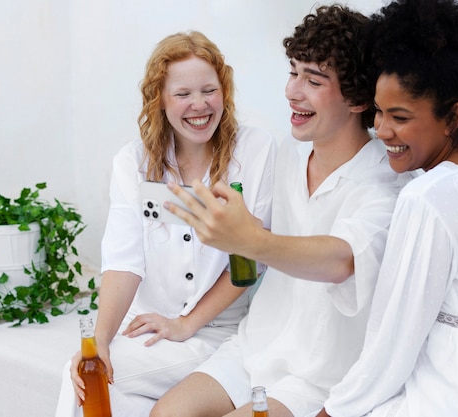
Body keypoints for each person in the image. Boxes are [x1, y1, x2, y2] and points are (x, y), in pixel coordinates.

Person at [151, 5, 411, 417]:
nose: (293, 91)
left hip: (320, 375)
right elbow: (264, 240)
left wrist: (252, 239)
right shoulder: (289, 153)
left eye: (314, 79)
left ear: (359, 98)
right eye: (293, 72)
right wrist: (234, 226)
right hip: (255, 345)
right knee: (165, 414)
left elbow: (343, 259)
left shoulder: (387, 182)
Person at [307, 0, 458, 416]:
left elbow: (394, 339)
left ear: (452, 116)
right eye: (378, 112)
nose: (381, 130)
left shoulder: (427, 195)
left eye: (399, 116)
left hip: (451, 388)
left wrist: (333, 410)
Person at [54, 31, 276, 417]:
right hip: (149, 331)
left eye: (209, 90)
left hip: (216, 333)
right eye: (182, 94)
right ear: (159, 100)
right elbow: (123, 262)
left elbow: (251, 260)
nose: (199, 105)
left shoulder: (254, 150)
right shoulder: (133, 162)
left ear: (225, 91)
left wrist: (186, 324)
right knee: (85, 378)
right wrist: (101, 341)